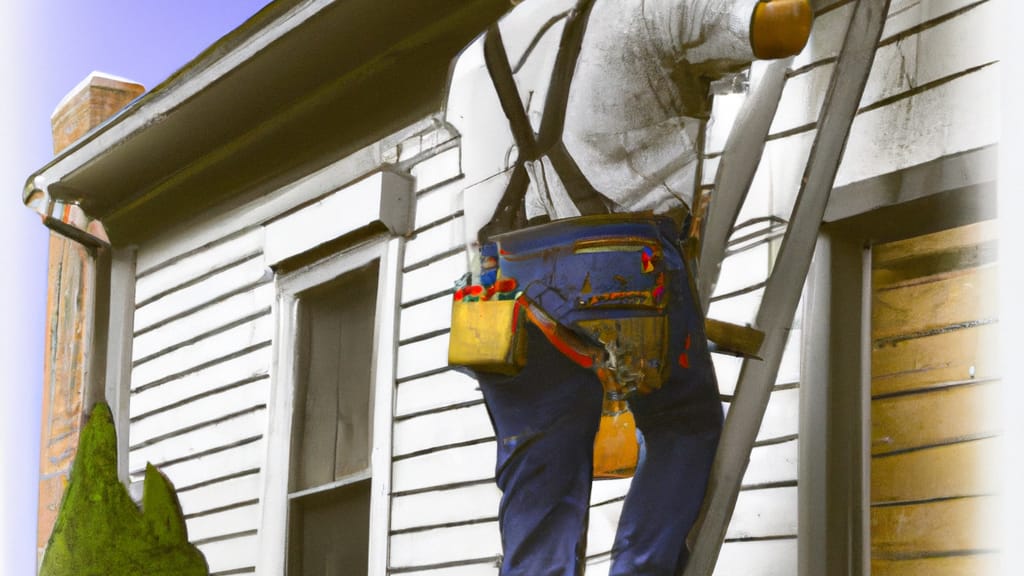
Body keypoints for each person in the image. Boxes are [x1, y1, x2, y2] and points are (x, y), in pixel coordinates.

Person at [447, 1, 812, 574]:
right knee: (681, 424)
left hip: (501, 291)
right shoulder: (646, 6)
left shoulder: (475, 57)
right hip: (619, 268)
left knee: (538, 471)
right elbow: (785, 25)